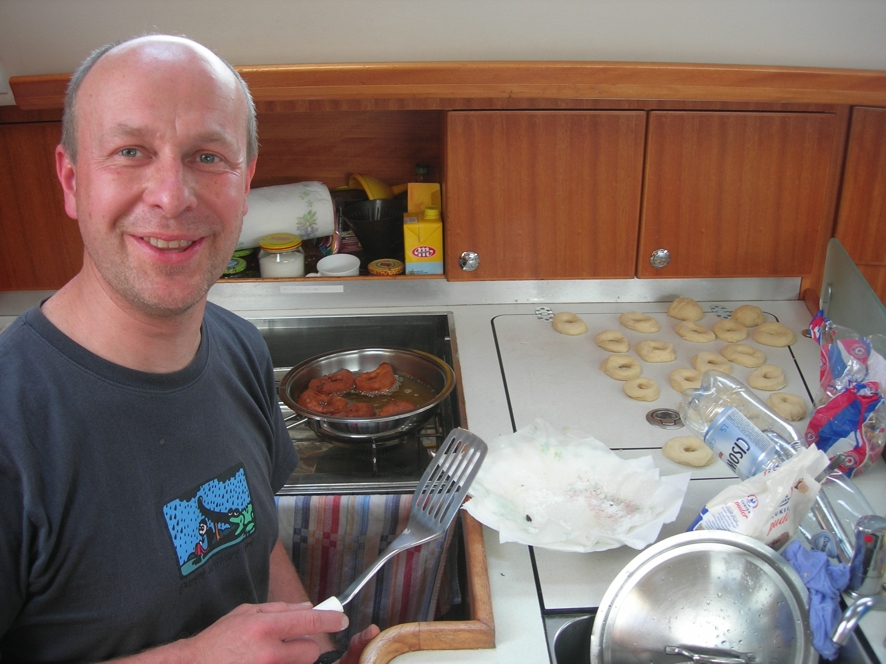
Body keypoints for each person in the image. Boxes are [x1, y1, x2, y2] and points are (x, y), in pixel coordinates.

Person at [0, 35, 378, 663]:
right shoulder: (13, 429)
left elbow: (254, 543)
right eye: (130, 152)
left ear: (245, 183)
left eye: (208, 156)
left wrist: (316, 650)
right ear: (71, 180)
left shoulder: (239, 348)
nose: (172, 196)